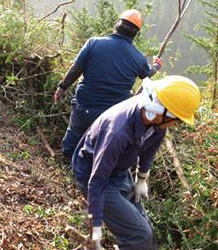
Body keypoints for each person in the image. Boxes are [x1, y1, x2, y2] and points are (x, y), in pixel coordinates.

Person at [72, 75, 201, 250]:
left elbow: (149, 149)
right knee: (137, 233)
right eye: (176, 119)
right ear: (163, 111)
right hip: (95, 177)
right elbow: (96, 181)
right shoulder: (118, 130)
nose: (177, 123)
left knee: (146, 227)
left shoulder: (157, 122)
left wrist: (141, 179)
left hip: (120, 172)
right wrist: (95, 229)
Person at [56, 10, 163, 160]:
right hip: (112, 115)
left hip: (85, 106)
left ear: (116, 26)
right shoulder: (138, 58)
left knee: (75, 133)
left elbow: (76, 70)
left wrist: (62, 87)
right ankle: (93, 167)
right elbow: (147, 73)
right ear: (136, 34)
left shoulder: (94, 43)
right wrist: (157, 66)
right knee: (101, 144)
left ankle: (67, 160)